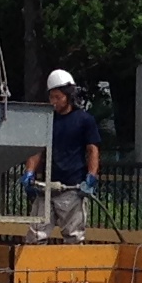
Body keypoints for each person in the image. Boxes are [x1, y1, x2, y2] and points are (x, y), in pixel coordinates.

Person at [26, 68, 100, 244]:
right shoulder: (47, 120)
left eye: (58, 97)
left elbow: (92, 150)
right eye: (52, 97)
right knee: (36, 235)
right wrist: (29, 172)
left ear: (68, 96)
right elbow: (37, 150)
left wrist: (91, 176)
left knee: (73, 236)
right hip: (45, 187)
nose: (54, 101)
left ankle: (72, 263)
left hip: (72, 188)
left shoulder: (84, 120)